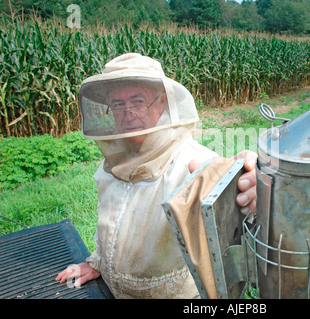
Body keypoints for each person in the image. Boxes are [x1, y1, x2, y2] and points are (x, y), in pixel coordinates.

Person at [55, 53, 257, 298]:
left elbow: (231, 204)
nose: (127, 113)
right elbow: (108, 220)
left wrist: (248, 180)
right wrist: (96, 263)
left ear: (162, 103)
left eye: (138, 101)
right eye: (117, 104)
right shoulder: (114, 161)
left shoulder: (192, 161)